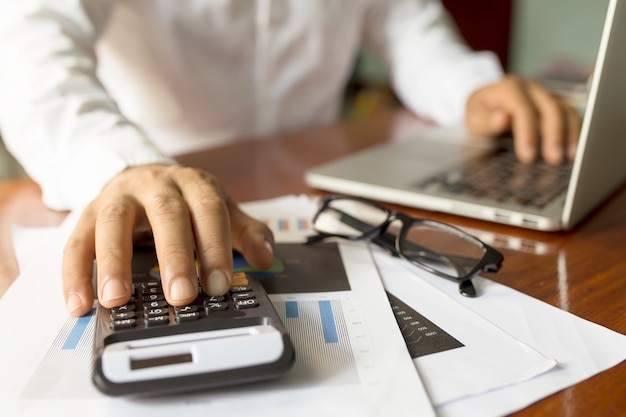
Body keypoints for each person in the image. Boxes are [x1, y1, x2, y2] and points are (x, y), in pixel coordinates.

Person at [0, 1, 580, 317]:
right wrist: (117, 161)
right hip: (142, 190)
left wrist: (471, 87)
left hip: (313, 191)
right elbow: (28, 44)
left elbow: (406, 27)